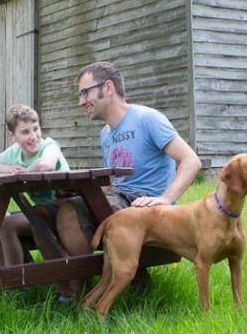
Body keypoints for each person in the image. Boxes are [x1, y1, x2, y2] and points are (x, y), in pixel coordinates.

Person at [54, 61, 202, 301]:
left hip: (145, 204)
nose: (81, 101)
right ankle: (101, 281)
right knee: (51, 210)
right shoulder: (105, 134)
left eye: (85, 92)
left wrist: (165, 199)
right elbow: (112, 184)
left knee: (69, 212)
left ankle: (75, 292)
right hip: (119, 197)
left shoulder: (147, 119)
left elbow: (191, 161)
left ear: (108, 87)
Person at [0, 104, 70, 268]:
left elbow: (47, 165)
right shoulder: (16, 151)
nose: (33, 136)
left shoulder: (48, 146)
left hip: (65, 210)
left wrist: (23, 173)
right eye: (25, 132)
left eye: (35, 129)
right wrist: (8, 169)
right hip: (41, 210)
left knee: (6, 226)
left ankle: (15, 280)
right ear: (13, 136)